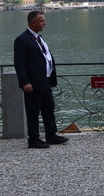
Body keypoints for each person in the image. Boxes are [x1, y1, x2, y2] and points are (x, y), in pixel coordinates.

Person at [14, 10, 67, 148]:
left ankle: (51, 135)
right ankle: (34, 139)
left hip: (46, 80)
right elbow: (19, 64)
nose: (45, 23)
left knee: (48, 109)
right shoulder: (22, 40)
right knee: (33, 112)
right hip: (33, 83)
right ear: (33, 23)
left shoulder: (40, 38)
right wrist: (25, 82)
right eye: (42, 21)